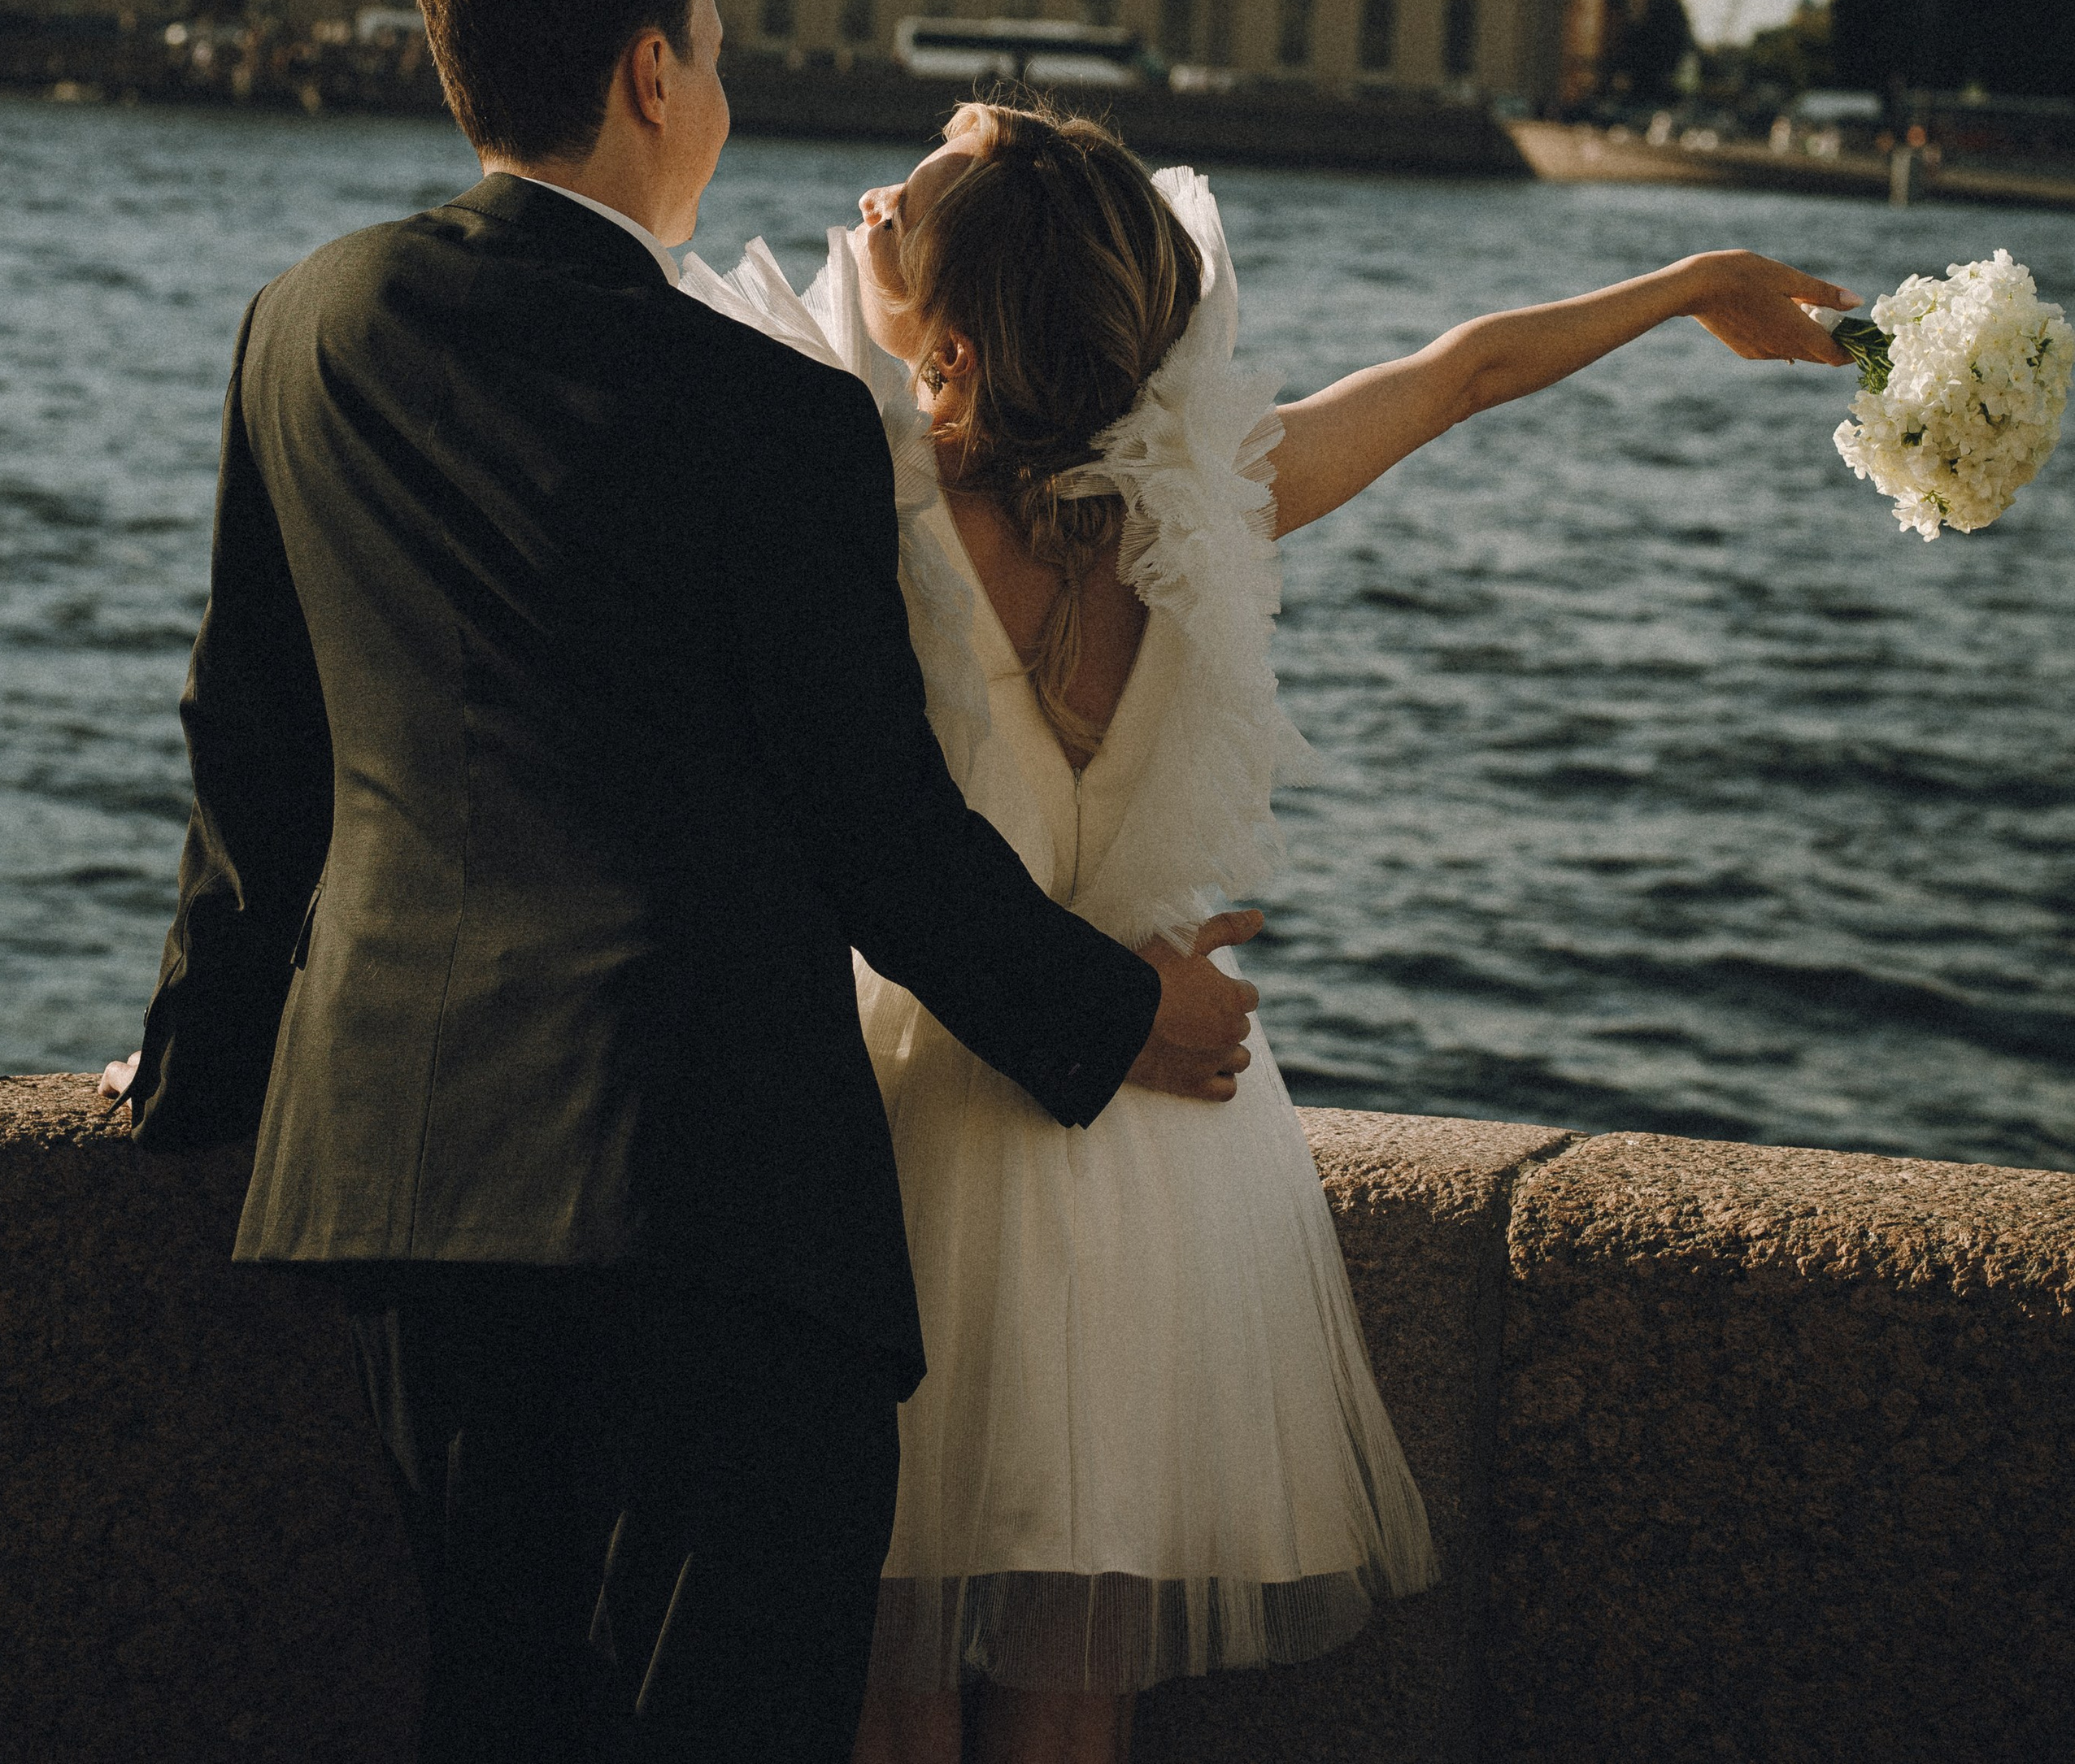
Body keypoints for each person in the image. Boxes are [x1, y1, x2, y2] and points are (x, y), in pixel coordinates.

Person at [100, 0, 1259, 1764]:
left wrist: (197, 1052)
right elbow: (877, 835)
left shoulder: (308, 321)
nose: (720, 88)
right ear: (652, 74)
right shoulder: (774, 418)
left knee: (492, 1705)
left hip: (401, 1175)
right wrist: (1120, 1008)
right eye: (711, 51)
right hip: (711, 1206)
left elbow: (253, 742)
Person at [680, 98, 1858, 1764]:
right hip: (1158, 1155)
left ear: (950, 340)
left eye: (900, 215)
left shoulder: (862, 521)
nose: (870, 210)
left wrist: (912, 290)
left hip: (911, 1126)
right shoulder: (1212, 501)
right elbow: (1463, 372)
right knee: (1073, 1695)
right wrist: (1693, 281)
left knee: (884, 1687)